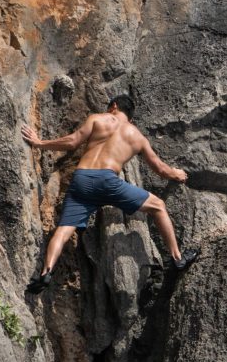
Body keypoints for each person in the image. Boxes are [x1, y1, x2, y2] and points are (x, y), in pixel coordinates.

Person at [21, 94, 198, 291]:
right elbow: (160, 169)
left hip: (82, 180)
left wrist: (39, 143)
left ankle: (46, 273)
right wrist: (177, 174)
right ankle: (177, 258)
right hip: (108, 182)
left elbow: (72, 141)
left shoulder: (97, 119)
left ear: (113, 106)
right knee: (158, 206)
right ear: (129, 117)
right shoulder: (137, 136)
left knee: (63, 230)